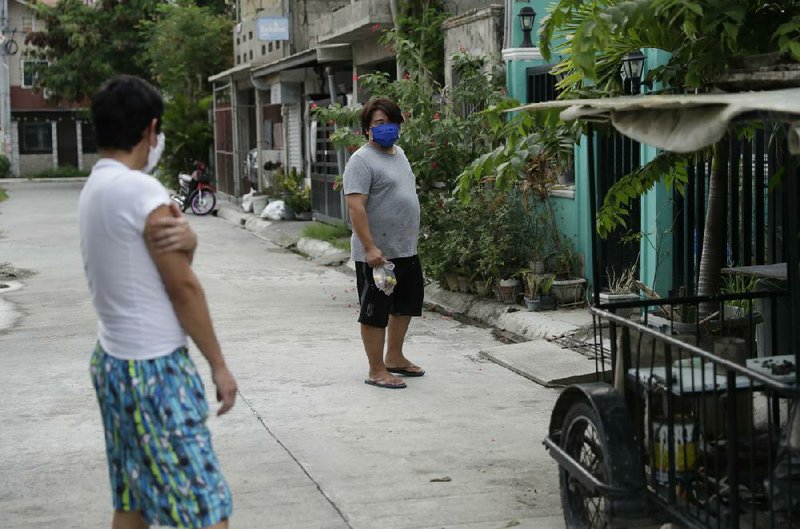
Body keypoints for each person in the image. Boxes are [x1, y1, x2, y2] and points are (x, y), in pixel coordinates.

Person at [78, 75, 237, 529]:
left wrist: (189, 243)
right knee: (205, 509)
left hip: (113, 364)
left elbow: (143, 265)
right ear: (150, 129)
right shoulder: (141, 191)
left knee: (133, 499)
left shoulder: (96, 187)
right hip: (155, 371)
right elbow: (181, 287)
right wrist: (219, 365)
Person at [344, 97, 425, 390]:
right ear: (367, 129)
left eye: (391, 122)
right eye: (379, 123)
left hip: (406, 249)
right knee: (376, 311)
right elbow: (355, 206)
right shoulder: (361, 161)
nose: (386, 127)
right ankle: (376, 369)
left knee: (404, 305)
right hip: (377, 255)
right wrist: (369, 247)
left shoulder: (399, 154)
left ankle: (394, 357)